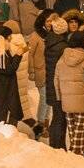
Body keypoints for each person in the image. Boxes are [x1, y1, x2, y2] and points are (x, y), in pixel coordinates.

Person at [54, 30, 84, 155]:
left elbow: (56, 79)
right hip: (82, 101)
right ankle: (76, 154)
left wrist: (59, 96)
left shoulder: (62, 58)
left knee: (72, 130)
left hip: (67, 100)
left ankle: (74, 152)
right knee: (80, 131)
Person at [43, 14, 70, 148]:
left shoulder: (50, 41)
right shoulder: (62, 46)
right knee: (60, 118)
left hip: (51, 85)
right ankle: (58, 145)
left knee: (57, 116)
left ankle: (56, 144)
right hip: (59, 87)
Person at [0, 20, 24, 127]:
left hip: (7, 89)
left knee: (13, 111)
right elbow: (8, 70)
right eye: (8, 37)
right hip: (4, 91)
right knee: (5, 114)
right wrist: (18, 55)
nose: (10, 39)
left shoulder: (3, 51)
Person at [28, 8, 54, 136]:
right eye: (48, 20)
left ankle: (46, 125)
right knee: (44, 98)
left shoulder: (54, 35)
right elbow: (30, 54)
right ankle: (40, 125)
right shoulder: (36, 35)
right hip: (40, 71)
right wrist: (31, 70)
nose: (49, 23)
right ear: (43, 21)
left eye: (52, 21)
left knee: (49, 99)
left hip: (52, 72)